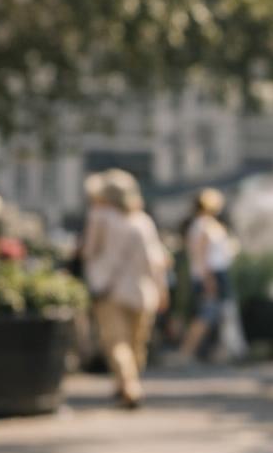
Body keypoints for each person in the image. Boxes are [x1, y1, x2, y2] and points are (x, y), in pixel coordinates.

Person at [90, 170, 170, 409]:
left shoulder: (100, 217)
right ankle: (127, 384)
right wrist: (162, 288)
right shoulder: (144, 221)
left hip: (110, 289)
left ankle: (127, 385)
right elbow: (156, 261)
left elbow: (89, 252)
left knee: (116, 342)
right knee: (136, 344)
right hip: (142, 290)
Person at [176, 189, 236, 363]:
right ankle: (186, 351)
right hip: (211, 274)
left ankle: (214, 352)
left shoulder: (205, 224)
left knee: (215, 315)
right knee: (206, 315)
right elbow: (201, 256)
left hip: (214, 273)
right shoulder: (202, 225)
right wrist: (208, 279)